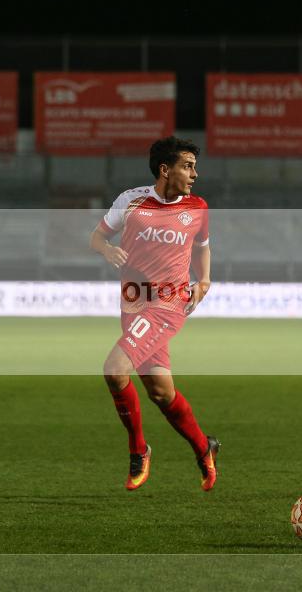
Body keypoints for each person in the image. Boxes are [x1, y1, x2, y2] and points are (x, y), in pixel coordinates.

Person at [89, 136, 219, 492]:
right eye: (187, 167)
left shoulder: (197, 207)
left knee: (114, 370)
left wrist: (205, 280)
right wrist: (107, 250)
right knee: (161, 393)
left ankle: (138, 450)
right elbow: (97, 238)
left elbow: (203, 247)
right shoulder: (131, 201)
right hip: (134, 304)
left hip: (169, 304)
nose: (194, 174)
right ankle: (204, 446)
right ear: (165, 170)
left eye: (194, 167)